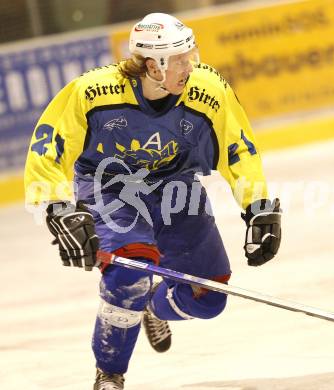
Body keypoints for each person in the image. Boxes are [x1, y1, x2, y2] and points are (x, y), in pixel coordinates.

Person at [24, 13, 282, 390]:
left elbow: (237, 148)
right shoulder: (91, 92)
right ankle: (110, 374)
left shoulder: (207, 89)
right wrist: (57, 206)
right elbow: (48, 147)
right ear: (152, 65)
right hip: (109, 187)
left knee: (209, 298)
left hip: (176, 186)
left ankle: (150, 305)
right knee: (129, 271)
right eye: (179, 60)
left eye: (190, 56)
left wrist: (258, 206)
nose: (189, 66)